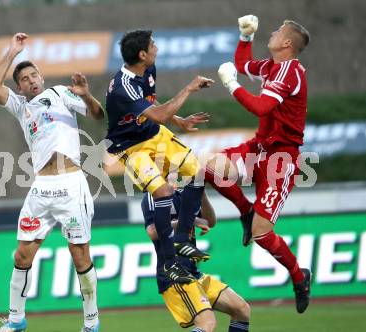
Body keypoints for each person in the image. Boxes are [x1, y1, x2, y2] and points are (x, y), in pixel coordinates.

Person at [0, 32, 104, 332]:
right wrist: (11, 51)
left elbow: (98, 115)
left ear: (42, 76)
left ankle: (91, 323)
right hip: (41, 189)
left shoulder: (62, 93)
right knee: (22, 254)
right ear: (19, 86)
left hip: (71, 184)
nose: (32, 80)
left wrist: (87, 94)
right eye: (25, 78)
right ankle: (16, 321)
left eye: (34, 74)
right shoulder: (20, 106)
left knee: (80, 255)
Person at [206, 15, 312, 313]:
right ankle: (245, 209)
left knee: (262, 234)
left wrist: (230, 85)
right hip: (260, 148)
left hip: (281, 157)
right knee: (211, 168)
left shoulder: (290, 72)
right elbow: (243, 64)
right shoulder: (271, 66)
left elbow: (261, 106)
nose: (274, 32)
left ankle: (299, 276)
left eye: (279, 31)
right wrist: (245, 36)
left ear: (287, 43)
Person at [105, 29, 214, 284]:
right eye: (153, 45)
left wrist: (179, 120)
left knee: (198, 172)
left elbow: (154, 107)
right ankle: (169, 262)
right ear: (142, 54)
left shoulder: (147, 70)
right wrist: (188, 88)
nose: (157, 48)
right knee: (163, 192)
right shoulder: (124, 87)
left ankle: (182, 239)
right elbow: (159, 114)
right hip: (131, 147)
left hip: (155, 135)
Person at [142, 189, 251, 332]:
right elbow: (153, 232)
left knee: (241, 309)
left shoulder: (183, 195)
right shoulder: (153, 196)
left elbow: (209, 222)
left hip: (194, 274)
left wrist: (203, 195)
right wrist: (189, 220)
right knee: (207, 324)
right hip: (174, 275)